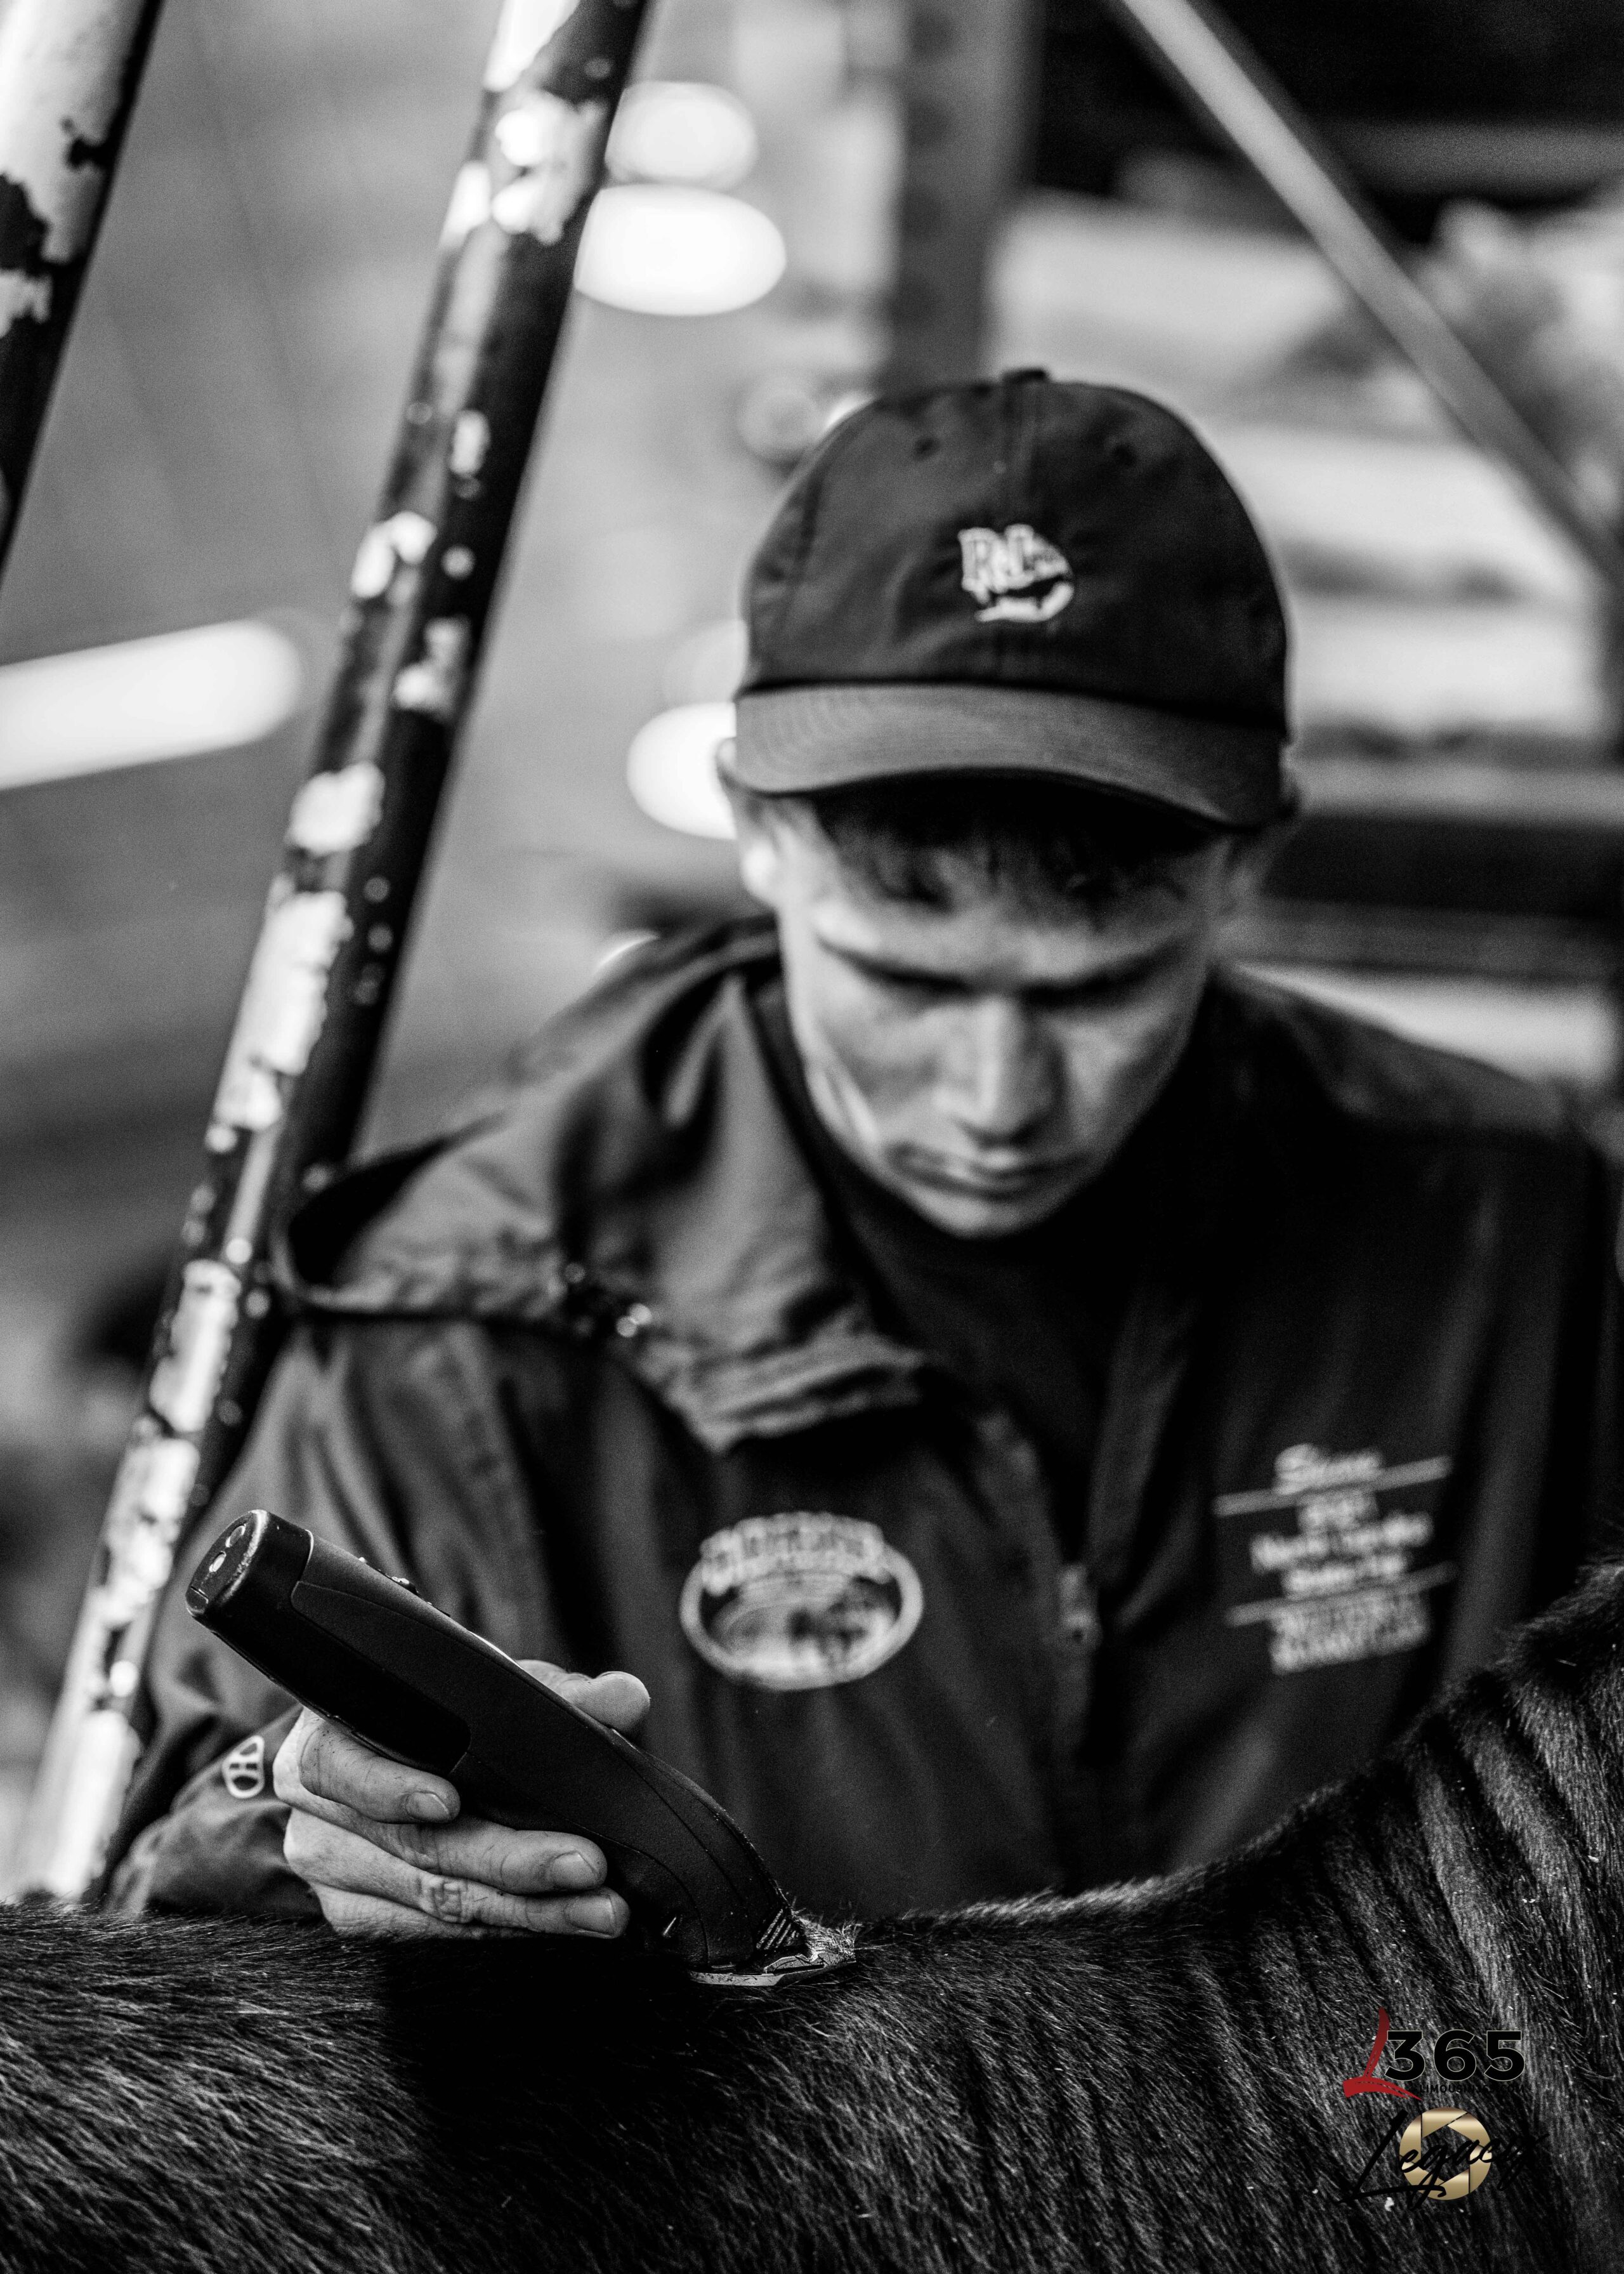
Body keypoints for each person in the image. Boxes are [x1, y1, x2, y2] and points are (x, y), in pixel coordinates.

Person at [108, 372, 1623, 1936]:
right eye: (902, 979)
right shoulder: (455, 1331)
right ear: (752, 832)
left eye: (1099, 990)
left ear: (1249, 863)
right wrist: (297, 1824)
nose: (994, 1097)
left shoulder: (1506, 1224)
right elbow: (168, 1921)